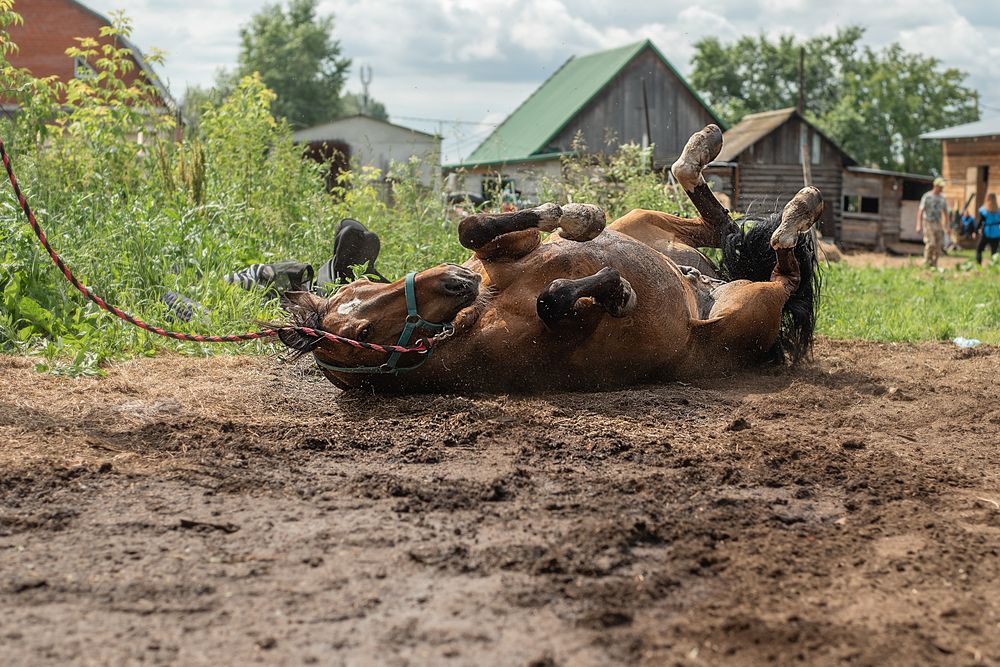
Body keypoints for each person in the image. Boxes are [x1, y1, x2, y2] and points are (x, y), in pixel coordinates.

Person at [916, 177, 949, 267]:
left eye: (942, 187)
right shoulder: (927, 196)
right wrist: (918, 225)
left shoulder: (942, 198)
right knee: (931, 243)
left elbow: (946, 213)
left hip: (938, 223)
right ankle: (927, 262)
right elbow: (920, 211)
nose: (942, 188)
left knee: (939, 244)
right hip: (928, 222)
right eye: (940, 186)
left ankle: (934, 264)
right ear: (935, 186)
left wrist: (947, 226)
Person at [976, 192, 1000, 266]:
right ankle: (994, 266)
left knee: (979, 249)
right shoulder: (998, 211)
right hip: (996, 233)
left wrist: (976, 230)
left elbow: (980, 222)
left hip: (987, 232)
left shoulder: (984, 211)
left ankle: (979, 265)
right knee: (994, 252)